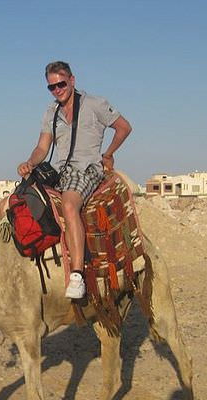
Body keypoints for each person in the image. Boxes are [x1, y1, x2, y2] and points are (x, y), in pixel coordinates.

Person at [16, 61, 131, 299]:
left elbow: (123, 127)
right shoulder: (51, 112)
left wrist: (108, 154)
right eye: (52, 87)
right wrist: (30, 162)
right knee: (15, 200)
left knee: (69, 204)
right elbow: (42, 146)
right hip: (59, 171)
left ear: (72, 80)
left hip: (86, 169)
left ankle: (77, 275)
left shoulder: (95, 104)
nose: (57, 90)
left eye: (61, 84)